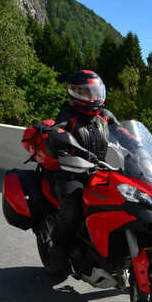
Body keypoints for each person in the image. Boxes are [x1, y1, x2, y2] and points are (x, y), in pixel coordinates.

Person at [48, 70, 122, 277]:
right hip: (72, 174)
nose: (93, 98)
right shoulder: (67, 115)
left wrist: (143, 147)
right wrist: (59, 140)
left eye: (96, 93)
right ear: (74, 94)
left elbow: (124, 134)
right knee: (73, 206)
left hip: (100, 173)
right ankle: (59, 250)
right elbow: (56, 133)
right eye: (87, 94)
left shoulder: (105, 117)